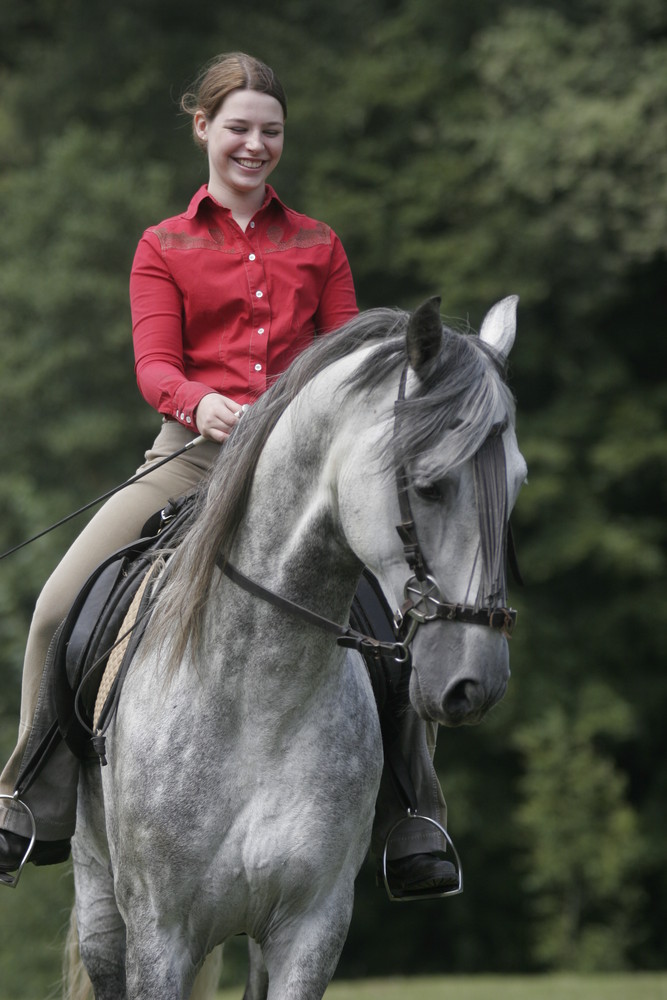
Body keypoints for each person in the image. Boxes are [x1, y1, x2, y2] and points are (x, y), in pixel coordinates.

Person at [0, 52, 455, 895]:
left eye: (270, 131)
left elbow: (350, 361)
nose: (255, 145)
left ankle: (414, 819)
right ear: (203, 127)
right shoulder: (162, 244)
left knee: (396, 622)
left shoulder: (318, 244)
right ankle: (30, 797)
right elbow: (153, 366)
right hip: (191, 457)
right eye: (239, 127)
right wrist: (199, 403)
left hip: (300, 476)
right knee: (57, 606)